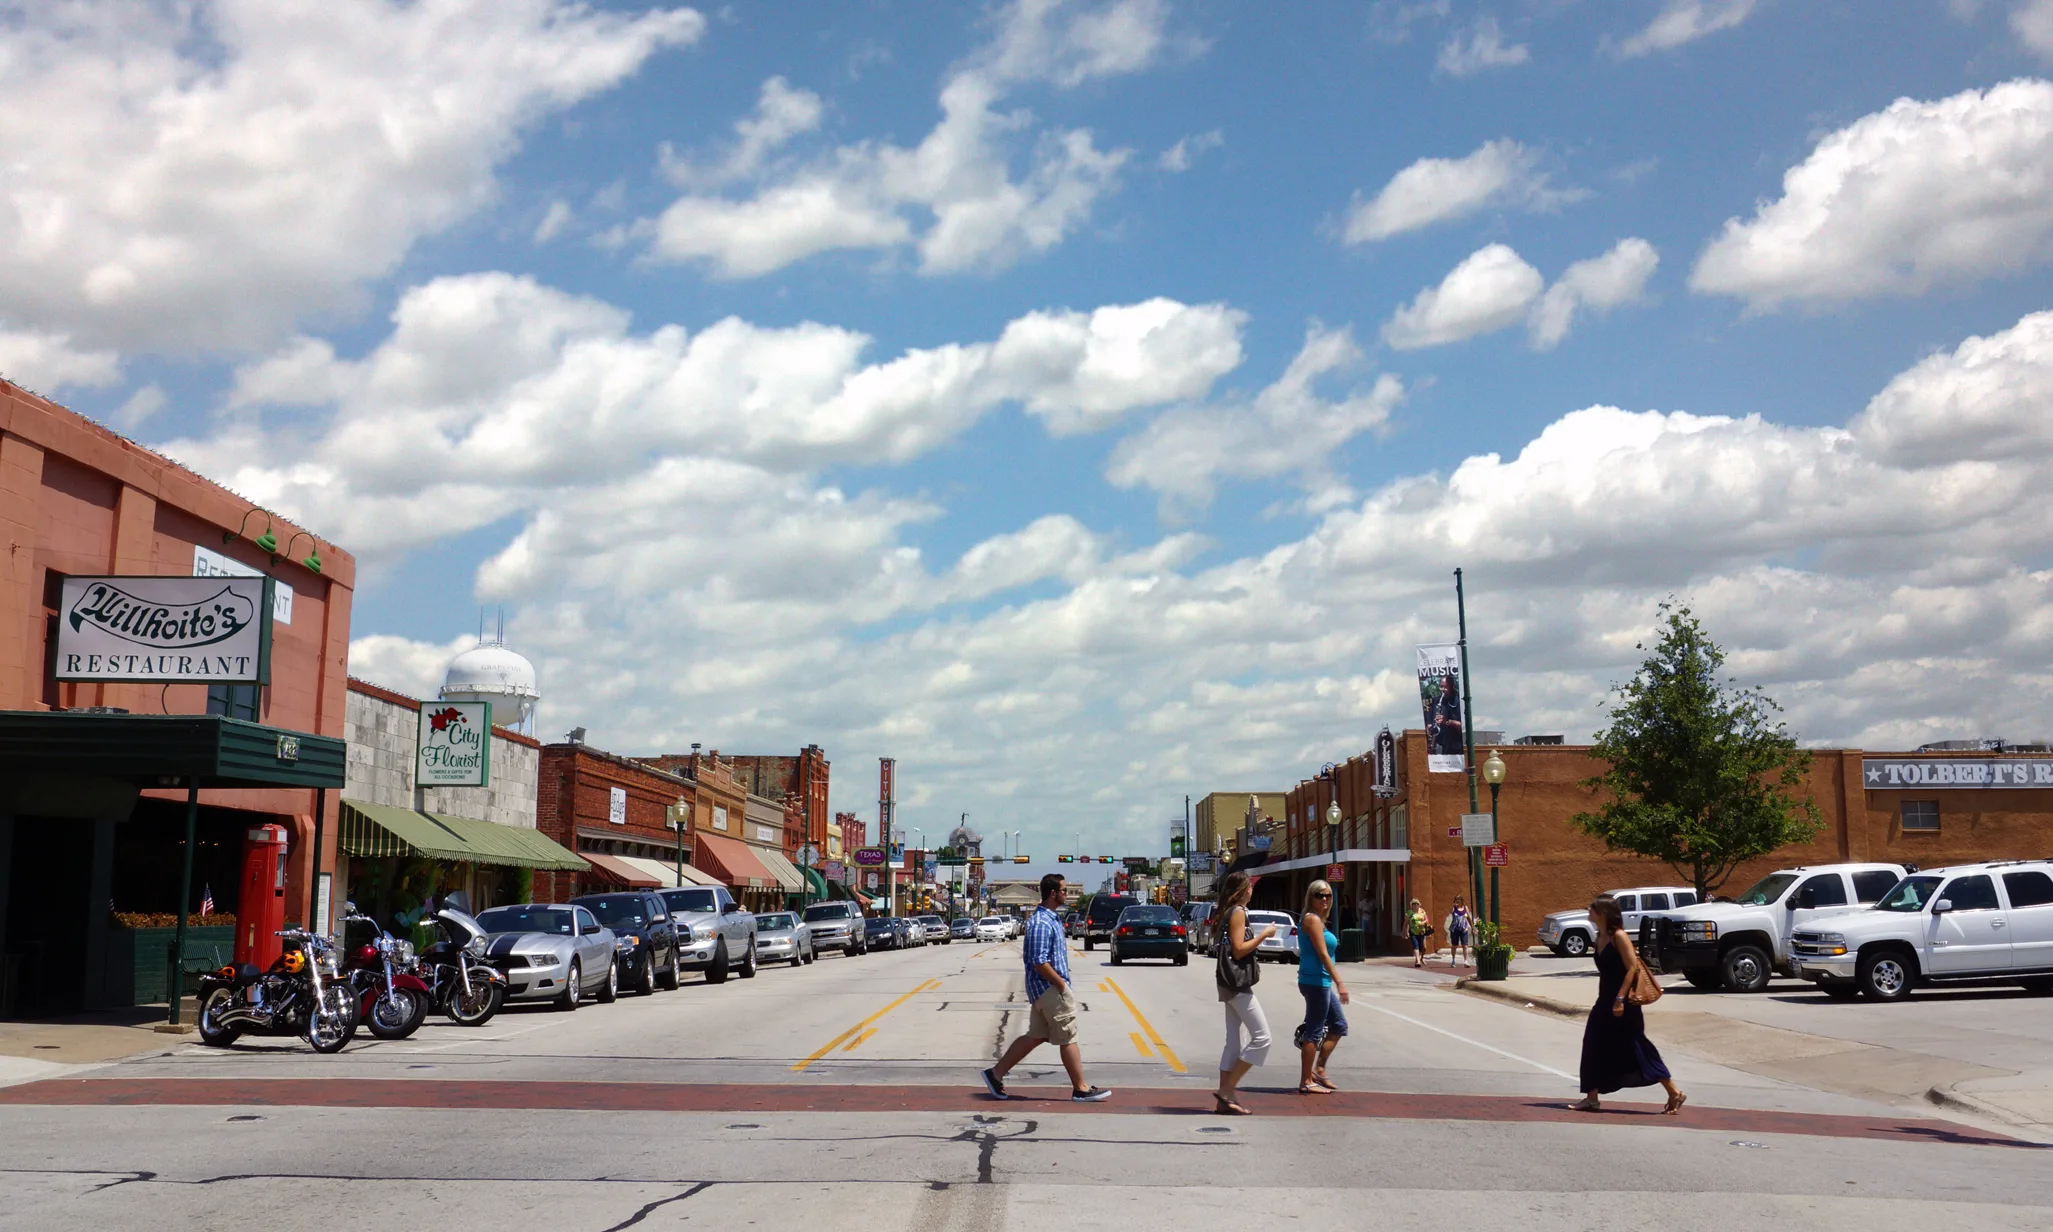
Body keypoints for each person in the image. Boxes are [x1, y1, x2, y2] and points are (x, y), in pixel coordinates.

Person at [981, 873, 1111, 1103]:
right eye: (1063, 890)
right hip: (1049, 989)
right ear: (1053, 894)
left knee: (1036, 1035)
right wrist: (1060, 984)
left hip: (1044, 990)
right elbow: (1039, 961)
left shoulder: (1049, 919)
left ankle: (995, 1074)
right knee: (1068, 1036)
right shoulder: (1041, 923)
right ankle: (1080, 1088)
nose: (1066, 894)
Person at [1574, 895, 1687, 1115]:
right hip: (1604, 1000)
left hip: (1623, 1003)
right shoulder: (1599, 938)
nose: (1589, 910)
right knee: (1593, 1043)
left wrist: (1620, 999)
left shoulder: (1619, 937)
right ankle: (1592, 1098)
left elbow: (1632, 968)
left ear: (1604, 912)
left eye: (1593, 908)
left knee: (1636, 1047)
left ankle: (1674, 1091)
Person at [1211, 870, 1274, 1115]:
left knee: (1233, 1044)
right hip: (1237, 984)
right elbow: (1238, 951)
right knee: (1262, 1037)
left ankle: (1224, 1100)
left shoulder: (1230, 912)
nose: (1252, 890)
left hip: (1229, 982)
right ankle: (1228, 1089)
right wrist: (1263, 936)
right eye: (1250, 887)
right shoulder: (1237, 912)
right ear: (1242, 890)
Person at [1294, 879, 1348, 1095]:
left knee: (1338, 1025)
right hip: (1315, 981)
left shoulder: (1318, 920)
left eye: (1328, 895)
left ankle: (1318, 1069)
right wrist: (1340, 983)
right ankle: (1306, 1081)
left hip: (1320, 982)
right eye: (1320, 895)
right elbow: (1323, 954)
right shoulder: (1311, 920)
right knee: (1314, 1031)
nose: (1325, 898)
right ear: (1311, 897)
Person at [1446, 895, 1474, 967]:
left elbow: (1468, 918)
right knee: (1454, 945)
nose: (1457, 901)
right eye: (1456, 899)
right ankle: (1453, 960)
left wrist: (1472, 927)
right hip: (1454, 929)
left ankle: (1465, 961)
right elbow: (1450, 912)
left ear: (1462, 900)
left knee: (1465, 945)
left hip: (1464, 929)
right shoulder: (1454, 908)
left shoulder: (1465, 908)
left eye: (1459, 899)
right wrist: (1453, 905)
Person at [1405, 897, 1431, 967]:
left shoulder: (1422, 911)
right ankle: (1418, 960)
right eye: (1414, 904)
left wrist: (1424, 922)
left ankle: (1420, 959)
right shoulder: (1409, 912)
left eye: (1417, 904)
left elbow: (1427, 920)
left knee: (1422, 947)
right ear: (1411, 905)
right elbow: (1406, 923)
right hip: (1413, 931)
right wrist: (1405, 932)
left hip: (1422, 931)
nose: (1415, 905)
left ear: (1419, 904)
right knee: (1415, 946)